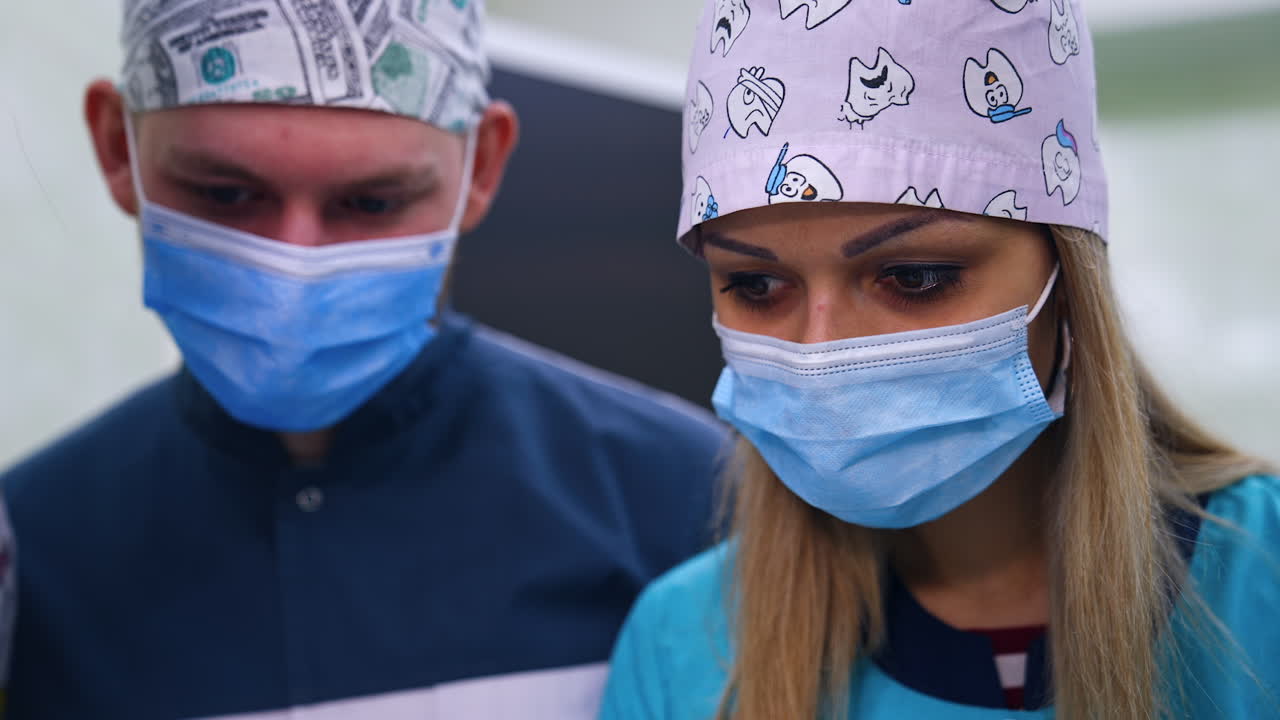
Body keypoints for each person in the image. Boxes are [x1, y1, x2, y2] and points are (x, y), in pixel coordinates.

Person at [0, 2, 726, 718]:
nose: (295, 267)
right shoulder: (31, 558)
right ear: (117, 147)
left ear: (483, 165)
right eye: (224, 194)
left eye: (373, 203)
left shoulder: (686, 502)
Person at [600, 2, 1279, 719]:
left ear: (1066, 277)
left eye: (916, 276)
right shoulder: (685, 651)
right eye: (757, 286)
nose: (821, 353)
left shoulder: (1258, 580)